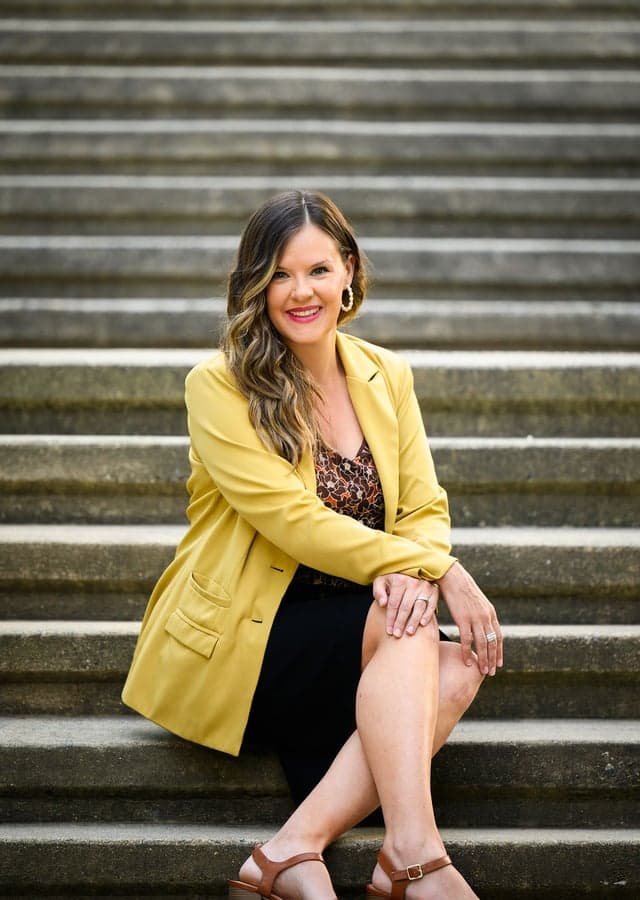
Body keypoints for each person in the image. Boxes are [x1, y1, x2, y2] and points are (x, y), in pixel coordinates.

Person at [122, 190, 503, 900]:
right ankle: (414, 859)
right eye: (279, 275)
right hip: (248, 637)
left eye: (319, 270)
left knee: (455, 663)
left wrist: (415, 569)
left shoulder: (386, 374)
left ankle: (293, 848)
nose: (301, 292)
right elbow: (293, 520)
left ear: (349, 271)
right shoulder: (219, 386)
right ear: (255, 285)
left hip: (355, 627)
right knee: (411, 621)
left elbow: (423, 505)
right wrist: (435, 569)